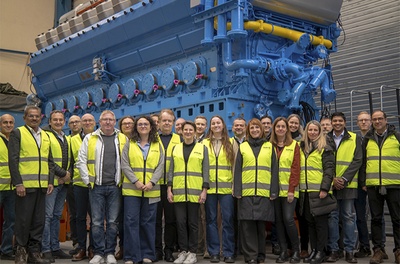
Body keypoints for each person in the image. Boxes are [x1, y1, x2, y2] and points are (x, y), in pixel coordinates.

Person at [76, 110, 126, 264]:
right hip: (96, 187)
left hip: (115, 187)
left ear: (115, 121)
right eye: (105, 119)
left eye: (111, 119)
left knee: (112, 222)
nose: (108, 122)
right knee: (96, 222)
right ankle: (98, 252)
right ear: (100, 121)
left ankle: (110, 252)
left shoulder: (122, 138)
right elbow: (81, 161)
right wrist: (88, 180)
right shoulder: (90, 138)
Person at [9, 105, 54, 264]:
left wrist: (50, 181)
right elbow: (13, 160)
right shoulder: (17, 133)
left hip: (42, 185)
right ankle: (20, 251)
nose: (34, 118)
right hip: (25, 186)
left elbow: (49, 161)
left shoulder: (46, 135)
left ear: (41, 117)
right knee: (23, 220)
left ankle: (34, 253)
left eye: (37, 116)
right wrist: (18, 183)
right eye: (31, 116)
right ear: (25, 117)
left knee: (38, 221)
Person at [233, 118, 278, 264]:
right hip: (246, 193)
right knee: (247, 226)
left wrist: (273, 191)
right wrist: (237, 190)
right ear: (248, 130)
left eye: (257, 128)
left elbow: (274, 170)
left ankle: (260, 255)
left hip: (264, 193)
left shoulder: (269, 147)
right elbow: (237, 171)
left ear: (262, 130)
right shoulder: (243, 147)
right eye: (252, 128)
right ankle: (250, 256)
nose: (254, 130)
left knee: (260, 226)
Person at [121, 116, 164, 264]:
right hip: (132, 190)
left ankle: (148, 254)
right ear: (136, 127)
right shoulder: (129, 143)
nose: (143, 126)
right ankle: (131, 256)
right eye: (140, 124)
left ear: (151, 127)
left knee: (148, 222)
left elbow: (161, 165)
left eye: (146, 124)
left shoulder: (157, 144)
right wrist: (136, 181)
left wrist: (152, 182)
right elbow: (124, 164)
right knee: (131, 222)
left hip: (152, 190)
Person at [359, 110, 400, 264]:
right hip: (373, 185)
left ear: (386, 120)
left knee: (397, 219)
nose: (377, 122)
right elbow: (363, 162)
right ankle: (378, 250)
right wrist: (363, 182)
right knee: (376, 218)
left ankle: (398, 250)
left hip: (394, 185)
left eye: (380, 119)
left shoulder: (396, 137)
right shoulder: (367, 139)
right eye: (374, 119)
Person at [167, 121, 210, 264]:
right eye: (185, 130)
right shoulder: (176, 148)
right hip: (178, 191)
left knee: (193, 223)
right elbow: (171, 170)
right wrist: (169, 189)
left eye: (190, 130)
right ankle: (183, 251)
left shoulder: (202, 148)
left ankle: (192, 252)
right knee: (180, 222)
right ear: (181, 131)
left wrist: (204, 191)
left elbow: (205, 170)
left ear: (195, 131)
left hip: (195, 192)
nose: (188, 132)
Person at [326, 112, 361, 263]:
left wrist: (344, 179)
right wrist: (332, 179)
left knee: (348, 218)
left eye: (340, 121)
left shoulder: (354, 138)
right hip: (331, 185)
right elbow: (323, 161)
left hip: (349, 185)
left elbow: (357, 160)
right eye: (335, 121)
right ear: (332, 123)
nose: (337, 123)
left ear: (345, 122)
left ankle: (349, 251)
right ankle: (334, 250)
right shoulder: (325, 138)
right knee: (332, 218)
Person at [299, 120, 335, 264]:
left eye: (315, 130)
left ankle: (321, 252)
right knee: (310, 223)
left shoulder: (325, 148)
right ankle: (313, 250)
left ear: (319, 132)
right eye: (310, 130)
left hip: (319, 192)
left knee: (320, 224)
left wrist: (325, 188)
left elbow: (329, 169)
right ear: (306, 132)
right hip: (305, 191)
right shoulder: (302, 147)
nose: (312, 132)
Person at [203, 116, 236, 263]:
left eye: (218, 122)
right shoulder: (204, 144)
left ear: (223, 125)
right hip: (209, 189)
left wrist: (235, 185)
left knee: (228, 220)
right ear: (210, 126)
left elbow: (235, 167)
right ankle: (214, 251)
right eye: (213, 123)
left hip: (227, 189)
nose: (216, 125)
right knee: (211, 221)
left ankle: (228, 252)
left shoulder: (232, 142)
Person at [42, 110, 72, 262]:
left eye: (61, 120)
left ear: (64, 122)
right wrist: (63, 174)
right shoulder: (46, 136)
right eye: (55, 120)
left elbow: (70, 159)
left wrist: (67, 175)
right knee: (47, 216)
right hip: (52, 184)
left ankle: (55, 247)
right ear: (50, 121)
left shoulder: (65, 137)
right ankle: (45, 249)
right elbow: (48, 160)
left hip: (63, 184)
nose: (58, 122)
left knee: (55, 216)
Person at [269, 117, 301, 263]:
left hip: (289, 190)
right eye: (278, 127)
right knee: (278, 221)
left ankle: (296, 251)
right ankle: (283, 251)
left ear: (287, 129)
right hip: (274, 190)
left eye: (283, 126)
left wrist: (291, 189)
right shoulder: (268, 146)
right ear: (274, 129)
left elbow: (295, 168)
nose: (281, 129)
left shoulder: (294, 145)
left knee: (288, 219)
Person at [156, 109, 182, 262]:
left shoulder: (179, 139)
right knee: (156, 220)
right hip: (155, 186)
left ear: (173, 123)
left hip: (173, 186)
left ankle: (169, 250)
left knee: (171, 220)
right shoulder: (153, 139)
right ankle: (157, 250)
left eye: (169, 121)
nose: (166, 123)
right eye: (163, 120)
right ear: (158, 122)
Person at [70, 113, 96, 261]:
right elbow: (70, 162)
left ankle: (93, 247)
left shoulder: (99, 138)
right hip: (79, 185)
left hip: (94, 185)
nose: (87, 123)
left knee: (95, 218)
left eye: (90, 120)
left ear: (94, 122)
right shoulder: (73, 140)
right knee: (79, 217)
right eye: (84, 120)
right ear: (80, 123)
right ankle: (81, 248)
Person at [115, 116, 135, 261]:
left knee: (133, 219)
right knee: (120, 219)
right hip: (118, 185)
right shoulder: (117, 139)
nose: (127, 125)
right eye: (124, 123)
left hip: (134, 186)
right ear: (120, 126)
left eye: (130, 123)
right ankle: (122, 247)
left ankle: (133, 248)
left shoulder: (138, 140)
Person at [353, 112, 372, 258]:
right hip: (359, 184)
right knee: (360, 216)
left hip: (374, 182)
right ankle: (365, 246)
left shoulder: (376, 138)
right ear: (357, 123)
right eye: (361, 120)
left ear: (370, 122)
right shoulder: (355, 139)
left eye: (366, 120)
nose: (364, 122)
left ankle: (381, 247)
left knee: (377, 217)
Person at [66, 115, 82, 255]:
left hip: (91, 182)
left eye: (77, 122)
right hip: (73, 183)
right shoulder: (68, 140)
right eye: (71, 123)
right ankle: (77, 243)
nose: (75, 124)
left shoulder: (90, 138)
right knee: (74, 214)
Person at [0, 114, 15, 261]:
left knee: (10, 221)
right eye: (5, 122)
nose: (8, 125)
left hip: (11, 188)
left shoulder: (15, 140)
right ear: (0, 124)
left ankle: (6, 250)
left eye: (11, 122)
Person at [194, 115, 209, 258]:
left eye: (202, 124)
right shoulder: (188, 140)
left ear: (206, 126)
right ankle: (197, 245)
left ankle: (206, 247)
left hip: (202, 185)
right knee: (194, 217)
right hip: (190, 186)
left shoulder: (207, 142)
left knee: (204, 217)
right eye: (197, 124)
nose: (199, 126)